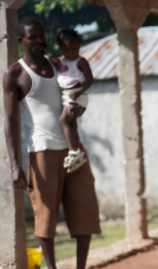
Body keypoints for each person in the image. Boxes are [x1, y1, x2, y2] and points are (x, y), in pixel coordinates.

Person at [3, 17, 102, 269]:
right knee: (45, 215)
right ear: (20, 40)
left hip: (72, 147)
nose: (39, 41)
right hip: (42, 150)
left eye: (42, 36)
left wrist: (79, 107)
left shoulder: (56, 63)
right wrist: (15, 164)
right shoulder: (15, 74)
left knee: (85, 206)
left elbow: (76, 88)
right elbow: (10, 122)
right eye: (32, 37)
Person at [50, 29, 94, 172]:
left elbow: (90, 80)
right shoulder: (59, 61)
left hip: (77, 96)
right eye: (67, 50)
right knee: (71, 123)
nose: (71, 53)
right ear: (61, 48)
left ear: (79, 45)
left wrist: (79, 91)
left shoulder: (80, 61)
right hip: (66, 97)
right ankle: (77, 151)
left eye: (74, 49)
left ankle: (73, 151)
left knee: (63, 121)